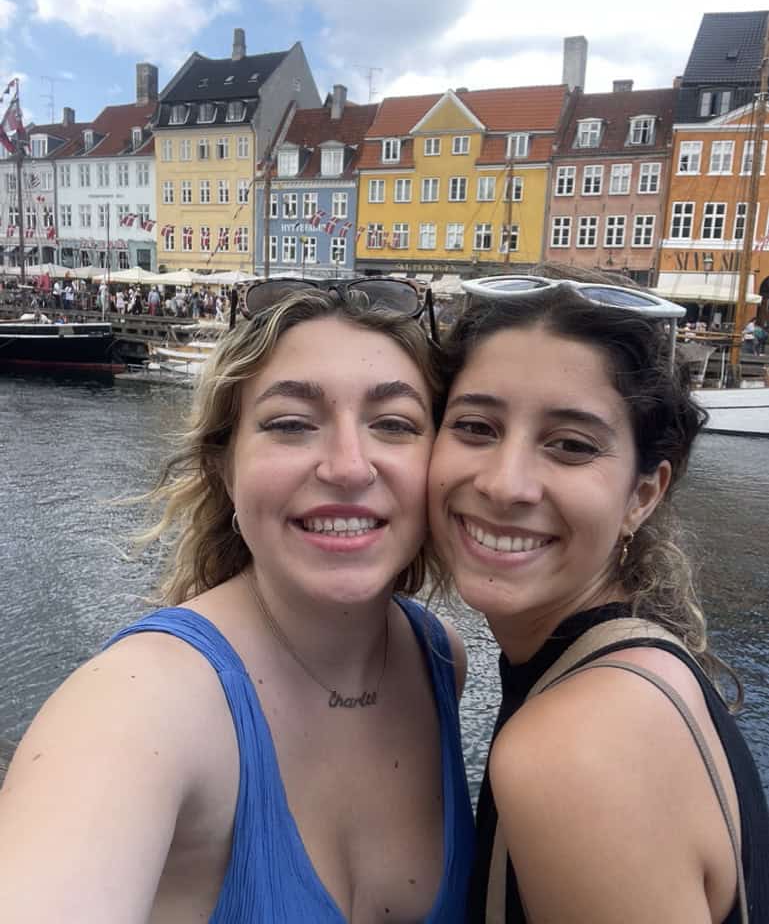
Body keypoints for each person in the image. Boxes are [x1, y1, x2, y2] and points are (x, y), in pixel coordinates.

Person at [0, 281, 474, 922]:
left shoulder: (440, 658)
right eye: (290, 425)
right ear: (225, 467)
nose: (348, 466)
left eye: (394, 425)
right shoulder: (138, 706)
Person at [428, 268, 769, 923]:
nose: (506, 484)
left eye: (570, 445)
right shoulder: (640, 667)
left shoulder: (576, 750)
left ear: (641, 495)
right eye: (475, 427)